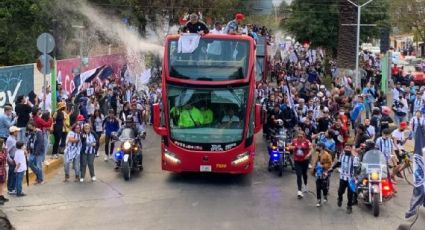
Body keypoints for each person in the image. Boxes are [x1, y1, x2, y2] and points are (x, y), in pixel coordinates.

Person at [330, 144, 356, 214]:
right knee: (340, 191)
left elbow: (357, 167)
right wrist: (332, 168)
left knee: (350, 194)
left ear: (351, 149)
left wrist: (356, 176)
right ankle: (340, 198)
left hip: (351, 179)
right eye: (346, 147)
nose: (347, 149)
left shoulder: (354, 157)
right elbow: (339, 163)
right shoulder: (342, 155)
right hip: (342, 177)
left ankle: (349, 206)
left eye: (349, 148)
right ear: (344, 149)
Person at [289, 131, 312, 198]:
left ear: (303, 136)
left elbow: (311, 149)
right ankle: (299, 191)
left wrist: (308, 155)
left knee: (304, 174)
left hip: (305, 160)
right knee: (299, 175)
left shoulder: (307, 141)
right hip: (297, 161)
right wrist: (293, 147)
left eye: (301, 137)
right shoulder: (294, 141)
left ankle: (305, 185)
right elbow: (290, 146)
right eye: (298, 137)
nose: (299, 138)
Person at [311, 143, 332, 207]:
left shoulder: (327, 155)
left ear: (321, 147)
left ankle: (325, 195)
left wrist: (323, 166)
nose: (317, 147)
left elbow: (330, 164)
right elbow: (314, 162)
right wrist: (313, 169)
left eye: (318, 146)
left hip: (324, 172)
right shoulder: (317, 154)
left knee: (324, 186)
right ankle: (319, 200)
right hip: (318, 172)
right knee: (318, 187)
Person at [6, 126, 19, 195]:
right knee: (12, 174)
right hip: (12, 158)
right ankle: (11, 189)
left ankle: (12, 188)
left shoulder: (13, 138)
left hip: (14, 157)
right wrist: (10, 159)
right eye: (16, 131)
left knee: (13, 173)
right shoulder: (10, 140)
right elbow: (7, 150)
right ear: (13, 132)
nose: (18, 132)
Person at [0, 139, 9, 205]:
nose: (4, 145)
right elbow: (2, 158)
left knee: (2, 183)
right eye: (3, 143)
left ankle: (1, 196)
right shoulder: (2, 152)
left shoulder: (3, 151)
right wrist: (5, 152)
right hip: (0, 171)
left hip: (3, 170)